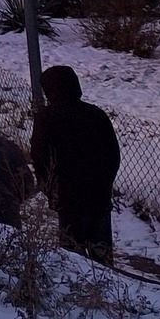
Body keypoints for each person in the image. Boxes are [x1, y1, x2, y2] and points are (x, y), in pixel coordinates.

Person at [31, 65, 121, 262]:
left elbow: (39, 156)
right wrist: (105, 183)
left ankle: (82, 290)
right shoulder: (96, 114)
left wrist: (50, 187)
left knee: (74, 258)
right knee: (102, 255)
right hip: (99, 195)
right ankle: (106, 288)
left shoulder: (47, 117)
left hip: (67, 196)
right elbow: (113, 155)